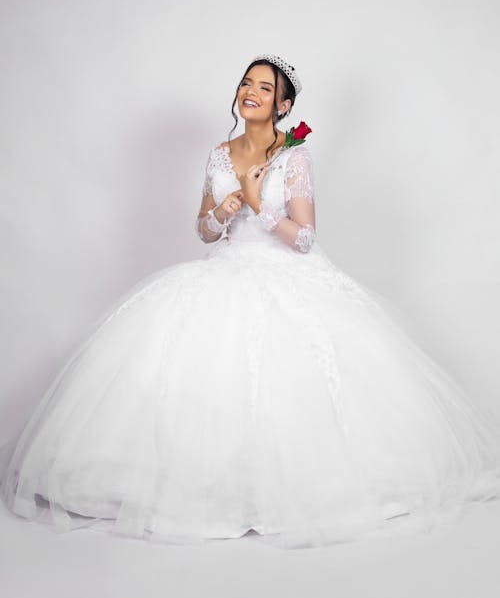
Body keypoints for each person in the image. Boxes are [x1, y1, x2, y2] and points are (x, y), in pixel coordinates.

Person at [1, 54, 500, 550]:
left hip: (287, 274)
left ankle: (288, 492)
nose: (251, 92)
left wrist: (259, 205)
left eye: (264, 87)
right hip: (226, 268)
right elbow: (203, 231)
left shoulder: (294, 157)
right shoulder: (220, 153)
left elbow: (304, 238)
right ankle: (204, 489)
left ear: (283, 104)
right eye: (246, 83)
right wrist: (222, 210)